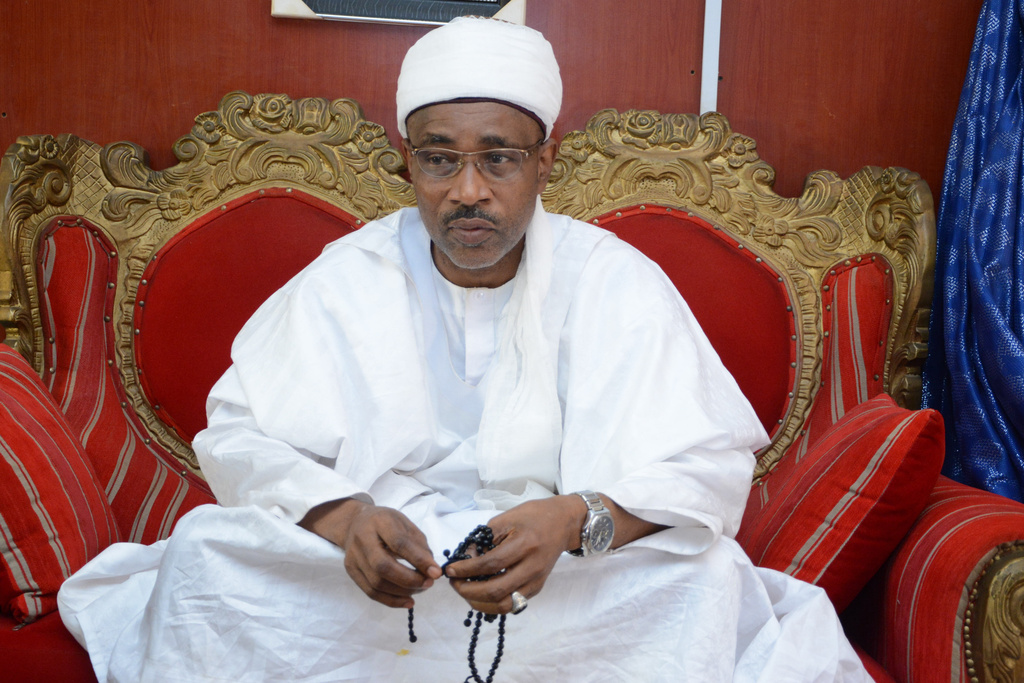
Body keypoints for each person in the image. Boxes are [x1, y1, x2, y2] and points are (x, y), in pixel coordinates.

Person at [58, 16, 871, 682]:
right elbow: (238, 434)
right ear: (408, 160)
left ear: (545, 162)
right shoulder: (350, 274)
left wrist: (575, 520)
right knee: (207, 557)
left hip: (562, 571)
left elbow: (709, 466)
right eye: (440, 159)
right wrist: (345, 519)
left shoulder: (615, 280)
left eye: (500, 159)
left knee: (704, 579)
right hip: (378, 564)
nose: (468, 190)